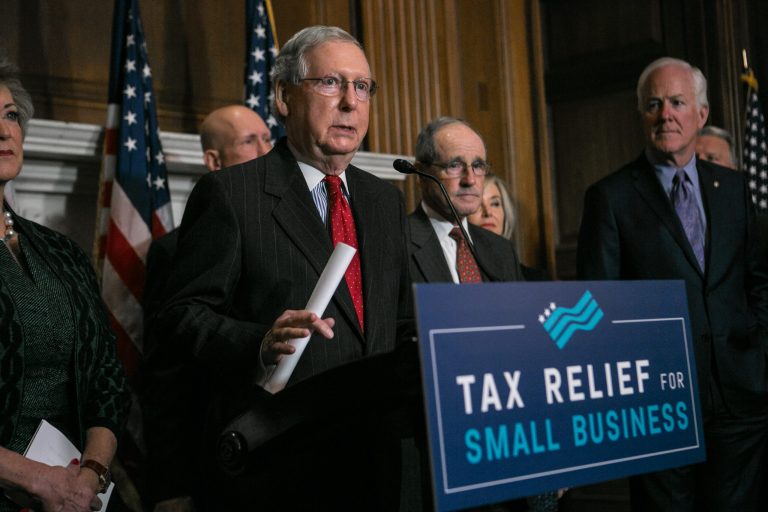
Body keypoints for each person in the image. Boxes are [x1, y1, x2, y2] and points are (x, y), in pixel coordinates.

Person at [153, 26, 413, 510]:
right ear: (283, 96)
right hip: (278, 467)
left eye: (362, 86)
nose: (351, 102)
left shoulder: (384, 201)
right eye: (332, 83)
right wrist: (259, 342)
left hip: (375, 462)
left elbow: (397, 322)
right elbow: (182, 316)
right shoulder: (232, 195)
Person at [577, 56, 768, 511]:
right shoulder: (610, 197)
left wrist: (759, 350)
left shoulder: (735, 188)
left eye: (678, 102)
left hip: (741, 398)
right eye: (654, 104)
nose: (666, 114)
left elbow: (759, 279)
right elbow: (597, 305)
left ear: (701, 114)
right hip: (660, 405)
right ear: (642, 115)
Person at [0, 58, 129, 511]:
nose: (4, 131)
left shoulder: (62, 252)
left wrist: (89, 474)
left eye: (11, 114)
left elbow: (108, 380)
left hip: (78, 491)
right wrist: (39, 480)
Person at [141, 106, 273, 510]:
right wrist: (172, 486)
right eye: (249, 142)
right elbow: (166, 374)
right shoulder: (174, 251)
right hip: (217, 462)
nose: (266, 150)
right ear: (214, 161)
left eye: (268, 138)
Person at [408, 117, 523, 284]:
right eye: (454, 165)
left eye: (477, 165)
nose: (470, 180)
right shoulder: (396, 243)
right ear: (421, 174)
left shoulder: (502, 250)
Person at [468, 173, 549, 281]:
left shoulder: (536, 280)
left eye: (495, 203)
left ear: (506, 213)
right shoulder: (460, 274)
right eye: (478, 205)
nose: (487, 212)